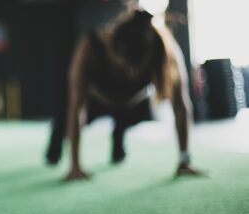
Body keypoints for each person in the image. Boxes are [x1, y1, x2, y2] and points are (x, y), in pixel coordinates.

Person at [45, 9, 202, 181]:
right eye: (126, 65)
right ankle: (56, 141)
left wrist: (184, 159)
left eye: (137, 67)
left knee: (137, 115)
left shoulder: (163, 49)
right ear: (114, 49)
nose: (131, 74)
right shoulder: (90, 47)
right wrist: (75, 165)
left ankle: (118, 134)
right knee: (63, 120)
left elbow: (180, 105)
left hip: (133, 103)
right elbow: (77, 107)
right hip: (96, 101)